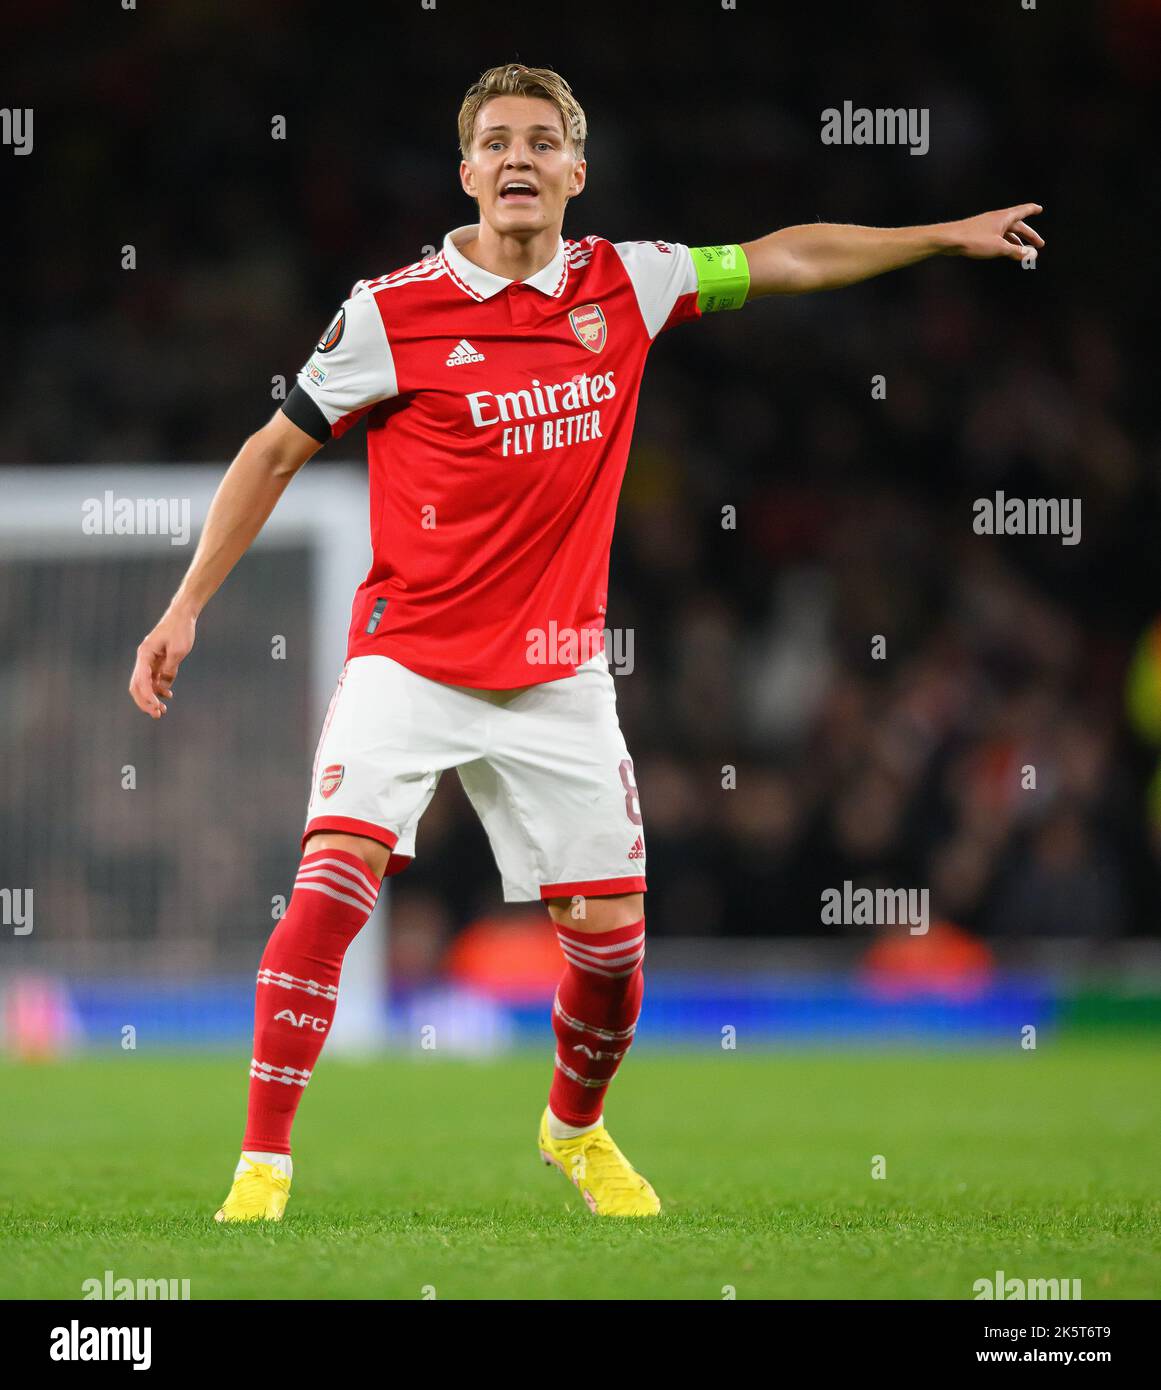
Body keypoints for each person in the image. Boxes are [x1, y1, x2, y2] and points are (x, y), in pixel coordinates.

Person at [128, 62, 1043, 1220]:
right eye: (496, 142)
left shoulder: (631, 282)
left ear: (574, 171)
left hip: (559, 672)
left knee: (612, 958)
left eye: (539, 141)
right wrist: (186, 604)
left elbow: (789, 254)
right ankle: (261, 1168)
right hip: (405, 658)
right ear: (466, 172)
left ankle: (575, 1129)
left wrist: (942, 235)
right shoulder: (389, 311)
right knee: (325, 896)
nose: (517, 159)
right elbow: (271, 453)